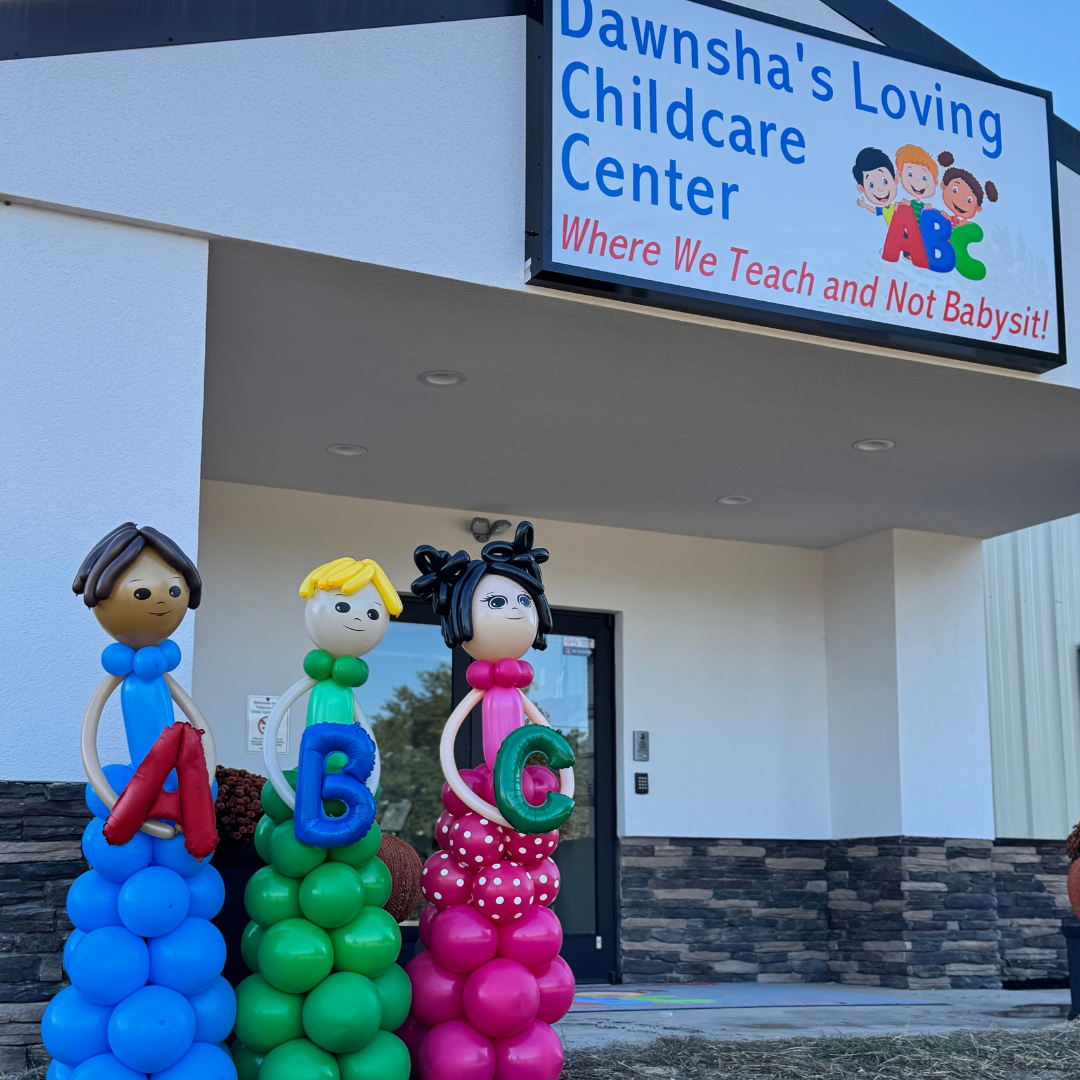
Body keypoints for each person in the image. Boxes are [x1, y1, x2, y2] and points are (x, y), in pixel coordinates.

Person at [938, 151, 998, 227]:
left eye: (969, 200)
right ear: (943, 185)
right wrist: (943, 216)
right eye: (955, 190)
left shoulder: (962, 225)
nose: (961, 202)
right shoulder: (948, 218)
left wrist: (963, 227)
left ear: (978, 208)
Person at [894, 144, 939, 220]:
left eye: (924, 178)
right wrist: (898, 206)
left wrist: (930, 211)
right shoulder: (909, 203)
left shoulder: (925, 207)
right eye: (910, 174)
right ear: (899, 174)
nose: (917, 181)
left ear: (935, 183)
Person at [853, 147, 897, 223]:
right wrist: (865, 206)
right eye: (871, 185)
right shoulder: (884, 210)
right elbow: (875, 210)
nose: (880, 189)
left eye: (885, 181)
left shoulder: (897, 206)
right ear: (861, 189)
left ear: (895, 180)